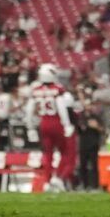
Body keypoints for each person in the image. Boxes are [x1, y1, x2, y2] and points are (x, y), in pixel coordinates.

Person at [28, 64, 75, 193]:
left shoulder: (36, 89)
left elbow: (29, 109)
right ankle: (58, 178)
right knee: (65, 151)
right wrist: (66, 124)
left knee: (47, 155)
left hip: (43, 123)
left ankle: (47, 181)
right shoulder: (57, 89)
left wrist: (30, 127)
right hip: (56, 122)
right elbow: (61, 108)